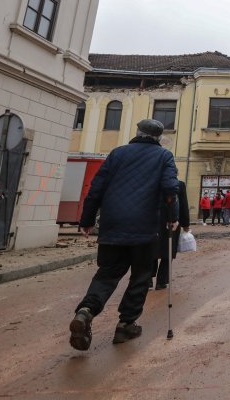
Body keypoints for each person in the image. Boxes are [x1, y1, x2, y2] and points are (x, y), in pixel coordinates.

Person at [69, 119, 179, 351]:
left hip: (112, 225)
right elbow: (170, 188)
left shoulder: (117, 154)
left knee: (107, 273)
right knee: (141, 275)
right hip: (145, 227)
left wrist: (87, 220)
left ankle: (86, 310)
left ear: (137, 132)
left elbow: (96, 187)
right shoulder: (164, 157)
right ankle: (126, 324)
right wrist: (172, 217)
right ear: (159, 138)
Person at [153, 180, 191, 290]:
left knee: (151, 249)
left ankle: (148, 280)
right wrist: (185, 224)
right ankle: (161, 281)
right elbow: (183, 204)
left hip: (153, 221)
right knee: (168, 251)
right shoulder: (179, 184)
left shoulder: (153, 181)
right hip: (172, 221)